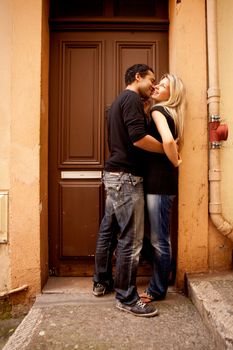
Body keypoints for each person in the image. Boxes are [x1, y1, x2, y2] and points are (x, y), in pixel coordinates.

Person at [93, 64, 165, 317]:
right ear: (137, 77)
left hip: (113, 175)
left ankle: (101, 281)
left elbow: (122, 138)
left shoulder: (117, 103)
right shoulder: (132, 98)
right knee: (130, 241)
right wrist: (166, 148)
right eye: (151, 80)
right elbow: (137, 138)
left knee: (108, 230)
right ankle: (126, 298)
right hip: (126, 178)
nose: (154, 86)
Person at [140, 73, 186, 303]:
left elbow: (168, 141)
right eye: (158, 83)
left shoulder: (159, 111)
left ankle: (157, 289)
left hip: (159, 184)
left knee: (159, 239)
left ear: (172, 94)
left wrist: (176, 161)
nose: (157, 86)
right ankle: (165, 269)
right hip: (162, 184)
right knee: (158, 238)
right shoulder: (172, 114)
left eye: (164, 85)